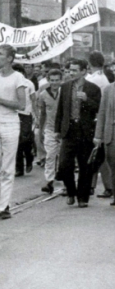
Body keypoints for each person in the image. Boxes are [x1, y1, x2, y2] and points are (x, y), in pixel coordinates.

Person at [0, 44, 27, 220]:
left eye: (0, 54)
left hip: (10, 123)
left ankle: (4, 206)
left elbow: (21, 105)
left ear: (10, 58)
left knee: (7, 167)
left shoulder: (18, 77)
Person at [54, 59, 101, 208]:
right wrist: (57, 129)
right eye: (69, 70)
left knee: (85, 166)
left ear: (83, 71)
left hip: (85, 131)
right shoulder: (66, 87)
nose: (71, 73)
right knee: (64, 165)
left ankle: (82, 197)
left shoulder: (93, 88)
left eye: (74, 70)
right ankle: (71, 191)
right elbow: (61, 109)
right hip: (69, 130)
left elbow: (99, 108)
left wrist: (87, 100)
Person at [86, 51, 112, 199]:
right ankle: (93, 185)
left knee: (98, 155)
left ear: (89, 63)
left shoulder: (93, 79)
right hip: (101, 118)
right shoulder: (104, 78)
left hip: (95, 119)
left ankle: (106, 186)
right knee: (98, 155)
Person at [38, 69, 63, 194]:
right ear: (48, 80)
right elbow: (42, 113)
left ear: (61, 80)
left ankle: (65, 183)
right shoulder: (43, 94)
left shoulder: (64, 93)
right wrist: (41, 129)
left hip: (63, 130)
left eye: (57, 80)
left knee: (63, 157)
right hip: (50, 128)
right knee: (50, 155)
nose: (54, 83)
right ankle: (49, 181)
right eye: (52, 80)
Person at [94, 74, 115, 206]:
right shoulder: (109, 89)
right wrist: (98, 135)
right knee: (113, 165)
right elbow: (102, 113)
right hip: (111, 134)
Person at [12, 64, 36, 177]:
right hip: (14, 114)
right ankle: (19, 168)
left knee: (24, 140)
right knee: (16, 141)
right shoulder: (11, 83)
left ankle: (29, 157)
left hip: (26, 114)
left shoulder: (29, 83)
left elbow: (34, 101)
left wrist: (36, 115)